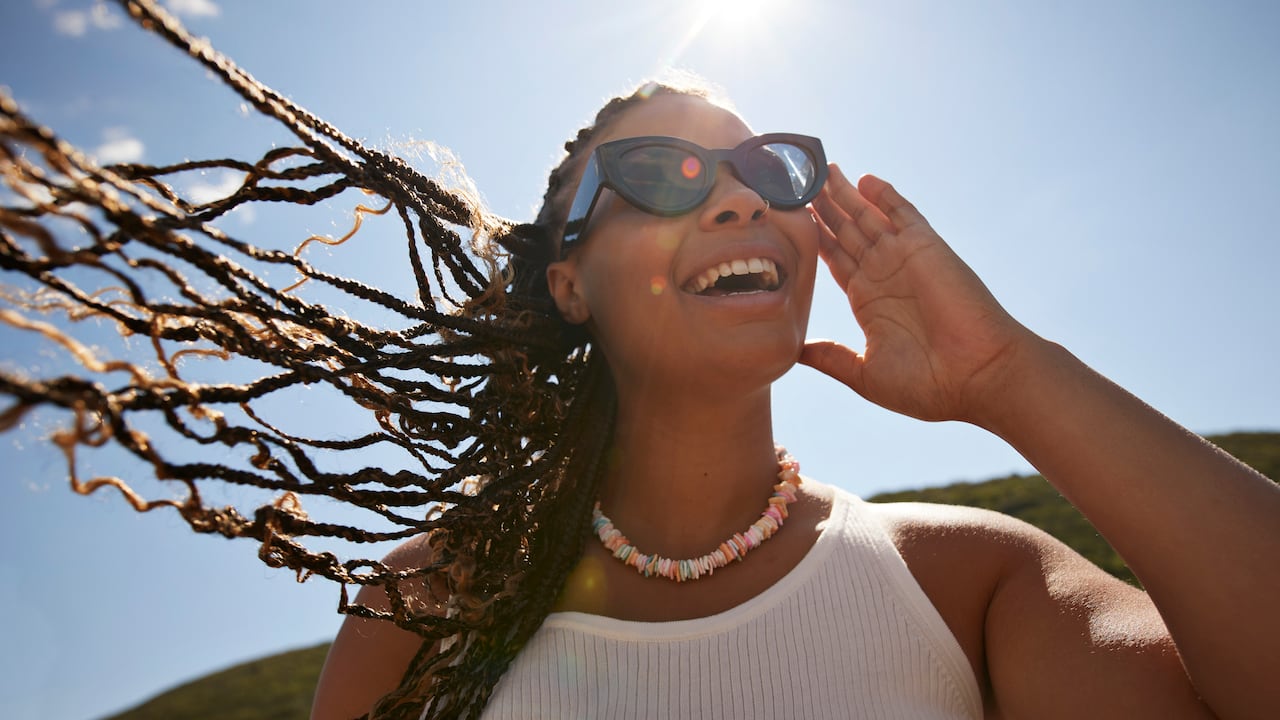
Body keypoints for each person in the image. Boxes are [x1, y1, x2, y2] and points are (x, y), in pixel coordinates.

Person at [310, 80, 1280, 719]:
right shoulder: (430, 600)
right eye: (657, 176)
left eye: (767, 172)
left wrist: (1007, 374)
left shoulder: (964, 583)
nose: (738, 203)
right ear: (568, 284)